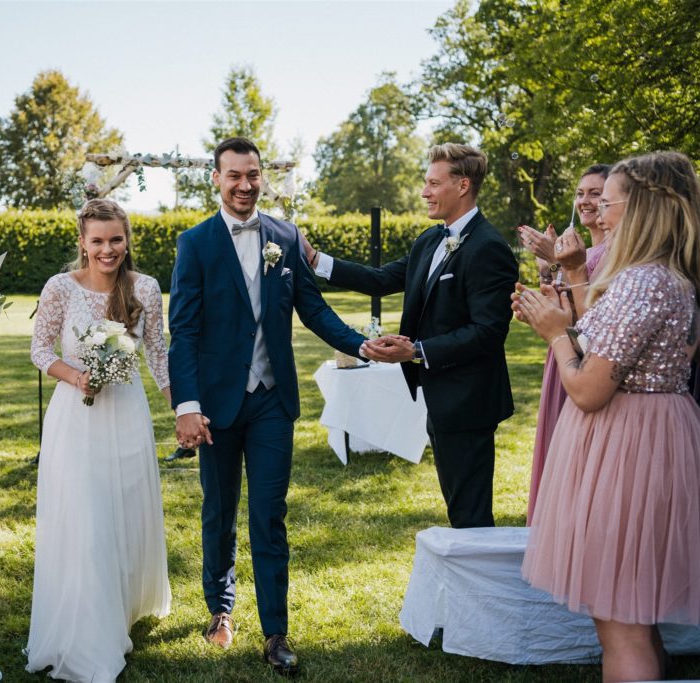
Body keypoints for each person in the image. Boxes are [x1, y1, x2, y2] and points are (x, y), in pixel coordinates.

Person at [169, 137, 367, 675]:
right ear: (215, 178)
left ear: (262, 176)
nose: (244, 185)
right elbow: (182, 332)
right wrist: (187, 404)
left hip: (273, 401)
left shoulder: (285, 234)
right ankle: (220, 609)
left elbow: (313, 308)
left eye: (252, 174)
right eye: (233, 175)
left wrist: (361, 345)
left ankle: (275, 632)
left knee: (269, 514)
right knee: (219, 509)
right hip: (215, 405)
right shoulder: (195, 244)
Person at [516, 150, 700, 682]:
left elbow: (589, 389)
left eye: (610, 198)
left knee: (621, 625)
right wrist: (562, 313)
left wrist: (554, 334)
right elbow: (610, 339)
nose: (600, 209)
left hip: (628, 447)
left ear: (640, 206)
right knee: (635, 615)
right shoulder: (668, 278)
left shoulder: (644, 281)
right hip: (653, 434)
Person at [304, 143, 519, 529]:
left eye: (433, 183)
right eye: (426, 182)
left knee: (470, 513)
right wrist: (317, 260)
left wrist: (416, 351)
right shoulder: (430, 239)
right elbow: (381, 278)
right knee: (459, 507)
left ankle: (478, 586)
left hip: (470, 401)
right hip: (440, 398)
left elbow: (488, 332)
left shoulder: (489, 248)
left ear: (463, 185)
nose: (424, 192)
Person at [27, 198, 171, 682]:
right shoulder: (60, 288)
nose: (107, 249)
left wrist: (181, 407)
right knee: (86, 519)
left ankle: (122, 608)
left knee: (124, 513)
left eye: (116, 239)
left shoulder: (145, 289)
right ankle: (89, 634)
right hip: (76, 418)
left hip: (128, 414)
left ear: (126, 239)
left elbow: (158, 357)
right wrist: (74, 376)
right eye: (97, 241)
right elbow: (39, 348)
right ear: (83, 243)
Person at [517, 164, 611, 523]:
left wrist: (559, 261)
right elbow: (570, 310)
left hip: (588, 364)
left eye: (596, 193)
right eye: (580, 193)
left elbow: (595, 319)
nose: (585, 200)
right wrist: (544, 276)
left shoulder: (613, 253)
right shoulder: (583, 254)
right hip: (563, 356)